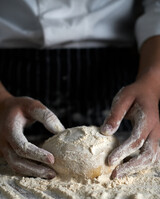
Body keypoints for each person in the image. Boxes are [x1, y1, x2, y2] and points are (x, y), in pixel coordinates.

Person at [0, 0, 160, 180]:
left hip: (112, 76)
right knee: (17, 149)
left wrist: (152, 82)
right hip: (12, 78)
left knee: (119, 150)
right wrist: (2, 102)